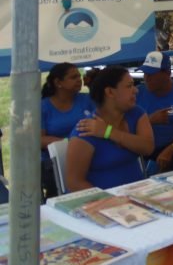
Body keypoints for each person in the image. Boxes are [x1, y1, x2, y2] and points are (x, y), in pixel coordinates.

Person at [66, 66, 154, 192]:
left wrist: (108, 132)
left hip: (139, 195)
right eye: (129, 86)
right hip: (102, 204)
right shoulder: (84, 131)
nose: (136, 90)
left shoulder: (136, 113)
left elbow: (148, 147)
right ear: (110, 92)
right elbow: (74, 183)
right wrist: (109, 200)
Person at [40, 63, 94, 198]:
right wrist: (69, 143)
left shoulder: (87, 100)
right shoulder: (42, 106)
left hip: (88, 158)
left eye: (79, 76)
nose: (79, 80)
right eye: (73, 77)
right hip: (53, 164)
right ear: (58, 82)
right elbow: (38, 140)